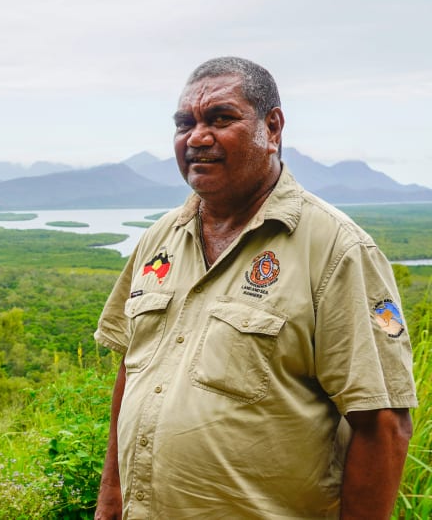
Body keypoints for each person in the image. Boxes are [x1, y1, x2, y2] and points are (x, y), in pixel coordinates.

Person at [93, 57, 417, 519]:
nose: (198, 137)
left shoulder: (336, 250)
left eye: (221, 118)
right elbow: (133, 369)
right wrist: (110, 502)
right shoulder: (159, 239)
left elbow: (381, 424)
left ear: (273, 126)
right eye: (185, 123)